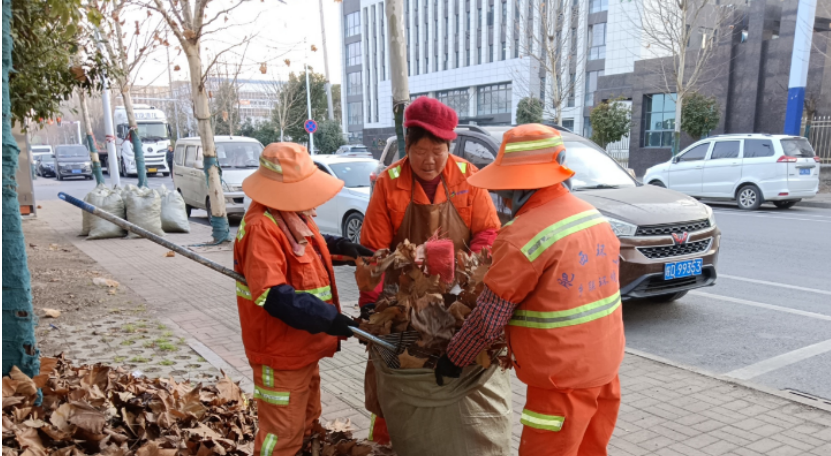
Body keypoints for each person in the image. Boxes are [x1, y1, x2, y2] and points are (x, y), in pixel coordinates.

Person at [437, 124, 625, 456]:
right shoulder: (593, 218)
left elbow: (489, 319)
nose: (504, 198)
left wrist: (454, 358)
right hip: (605, 370)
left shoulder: (523, 235)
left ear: (523, 184)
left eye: (506, 188)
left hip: (560, 383)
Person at [359, 97, 502, 445]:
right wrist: (370, 304)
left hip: (456, 302)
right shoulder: (389, 183)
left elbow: (489, 231)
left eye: (437, 151)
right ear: (407, 146)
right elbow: (371, 252)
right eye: (420, 151)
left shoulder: (469, 176)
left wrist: (467, 263)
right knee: (393, 381)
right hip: (402, 304)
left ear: (449, 147)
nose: (429, 160)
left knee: (457, 379)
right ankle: (386, 444)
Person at [235, 142, 373, 456]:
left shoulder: (290, 217)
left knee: (307, 423)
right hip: (280, 355)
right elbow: (276, 297)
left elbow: (313, 246)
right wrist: (332, 320)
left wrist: (346, 249)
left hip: (301, 350)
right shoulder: (261, 228)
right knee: (282, 438)